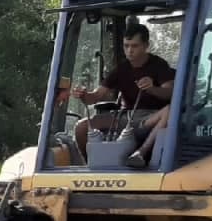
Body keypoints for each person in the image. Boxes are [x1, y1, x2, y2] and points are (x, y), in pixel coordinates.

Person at [72, 22, 175, 162]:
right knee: (81, 126)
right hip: (124, 118)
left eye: (134, 46)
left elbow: (170, 93)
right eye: (126, 46)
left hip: (151, 117)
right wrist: (83, 95)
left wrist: (152, 89)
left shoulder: (159, 65)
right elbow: (95, 97)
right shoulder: (121, 69)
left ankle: (140, 153)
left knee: (169, 111)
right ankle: (90, 165)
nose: (129, 51)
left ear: (146, 45)